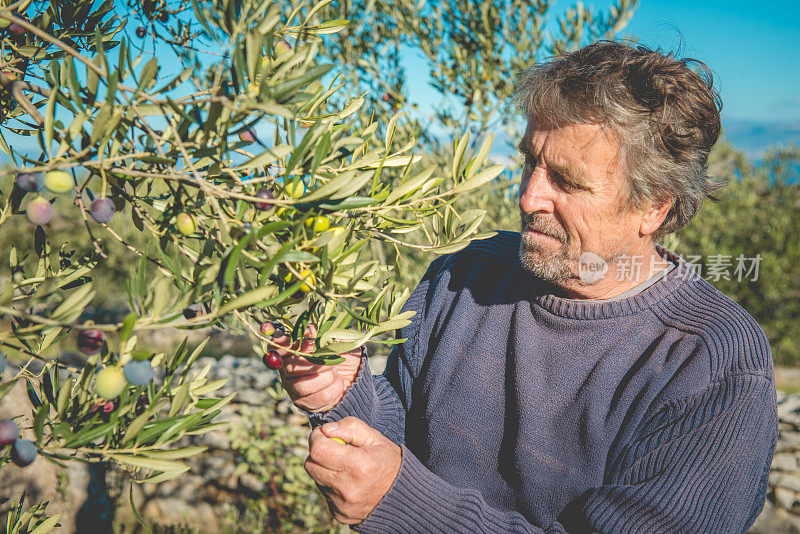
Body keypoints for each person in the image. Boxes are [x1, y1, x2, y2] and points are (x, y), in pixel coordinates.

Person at [275, 40, 778, 533]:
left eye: (569, 181)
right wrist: (343, 393)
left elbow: (401, 489)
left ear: (655, 207)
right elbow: (398, 431)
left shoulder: (711, 362)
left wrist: (403, 504)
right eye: (529, 162)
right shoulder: (465, 274)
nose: (530, 195)